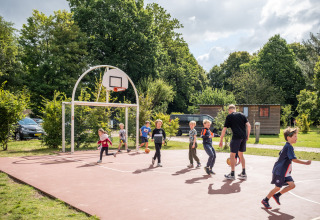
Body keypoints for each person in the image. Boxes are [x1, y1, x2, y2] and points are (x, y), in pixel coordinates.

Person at [261, 127, 311, 209]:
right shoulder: (289, 147)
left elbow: (280, 153)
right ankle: (265, 200)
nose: (296, 138)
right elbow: (293, 159)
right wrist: (305, 163)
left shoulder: (287, 146)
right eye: (294, 136)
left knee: (292, 185)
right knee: (277, 187)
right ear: (288, 137)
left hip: (285, 172)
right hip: (279, 172)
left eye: (296, 136)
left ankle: (277, 195)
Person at [219, 104, 251, 180]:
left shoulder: (229, 116)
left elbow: (224, 129)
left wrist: (221, 140)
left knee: (232, 155)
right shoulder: (242, 115)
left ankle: (232, 174)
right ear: (235, 109)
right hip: (243, 137)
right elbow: (249, 126)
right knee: (241, 154)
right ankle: (243, 173)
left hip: (236, 137)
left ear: (229, 110)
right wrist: (248, 136)